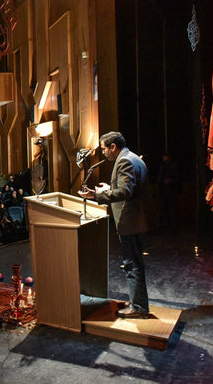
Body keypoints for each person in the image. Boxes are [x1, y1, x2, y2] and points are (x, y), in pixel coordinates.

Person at [78, 131, 150, 318]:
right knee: (134, 263)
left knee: (132, 264)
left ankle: (139, 308)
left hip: (130, 221)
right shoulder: (133, 157)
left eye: (104, 149)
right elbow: (129, 189)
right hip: (135, 219)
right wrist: (109, 189)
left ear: (113, 147)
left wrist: (95, 195)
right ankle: (137, 302)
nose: (103, 153)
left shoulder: (124, 161)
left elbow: (125, 192)